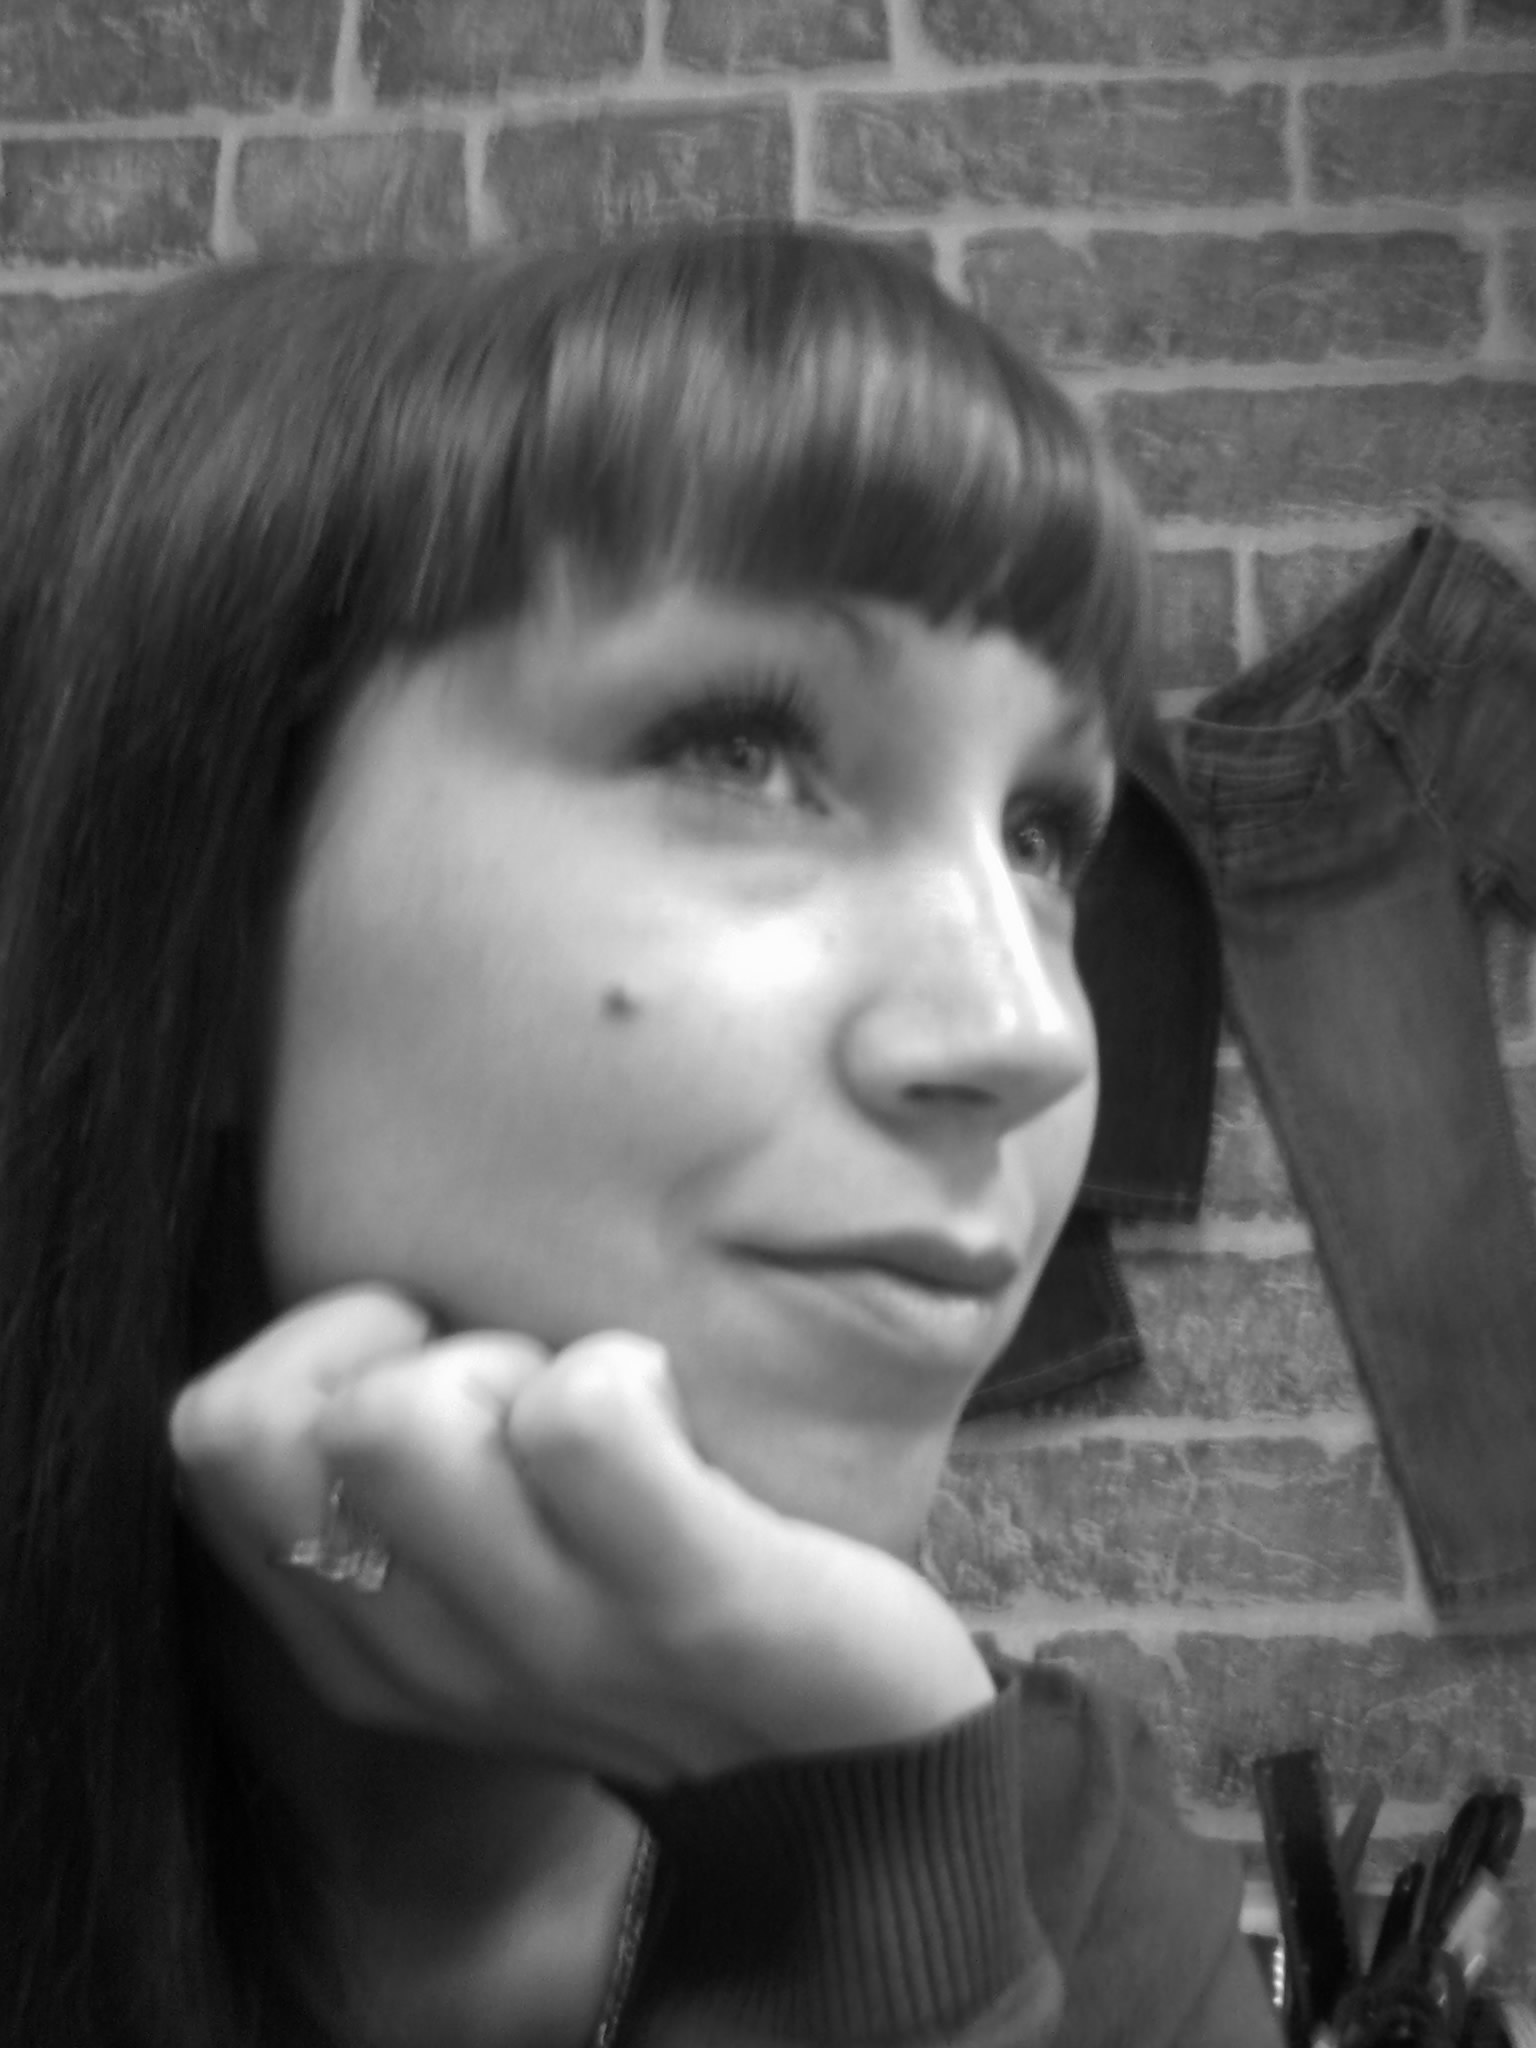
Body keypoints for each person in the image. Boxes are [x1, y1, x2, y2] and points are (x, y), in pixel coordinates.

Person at [0, 224, 1279, 2047]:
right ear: (195, 925)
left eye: (1042, 836)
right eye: (743, 749)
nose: (1033, 1035)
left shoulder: (1072, 1874)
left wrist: (865, 1884)